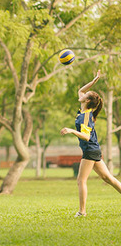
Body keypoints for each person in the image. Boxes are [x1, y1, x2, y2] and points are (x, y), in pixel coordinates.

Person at [60, 70, 121, 217]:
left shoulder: (86, 116)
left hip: (90, 150)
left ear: (87, 100)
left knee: (81, 180)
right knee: (108, 178)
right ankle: (82, 211)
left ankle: (82, 212)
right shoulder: (84, 111)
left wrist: (71, 130)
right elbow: (81, 90)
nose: (83, 94)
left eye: (87, 94)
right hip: (94, 150)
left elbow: (86, 136)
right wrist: (94, 80)